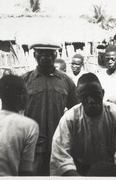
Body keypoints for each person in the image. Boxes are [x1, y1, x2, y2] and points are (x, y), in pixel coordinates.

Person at [50, 73, 116, 176]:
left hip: (110, 170)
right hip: (78, 171)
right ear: (78, 97)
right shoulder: (70, 118)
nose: (91, 100)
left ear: (103, 93)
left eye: (96, 95)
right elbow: (60, 156)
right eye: (84, 96)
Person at [22, 42, 78, 176]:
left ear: (56, 54)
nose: (45, 56)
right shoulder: (25, 80)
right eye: (41, 52)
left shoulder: (66, 81)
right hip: (32, 146)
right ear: (34, 54)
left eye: (49, 52)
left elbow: (76, 112)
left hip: (59, 145)